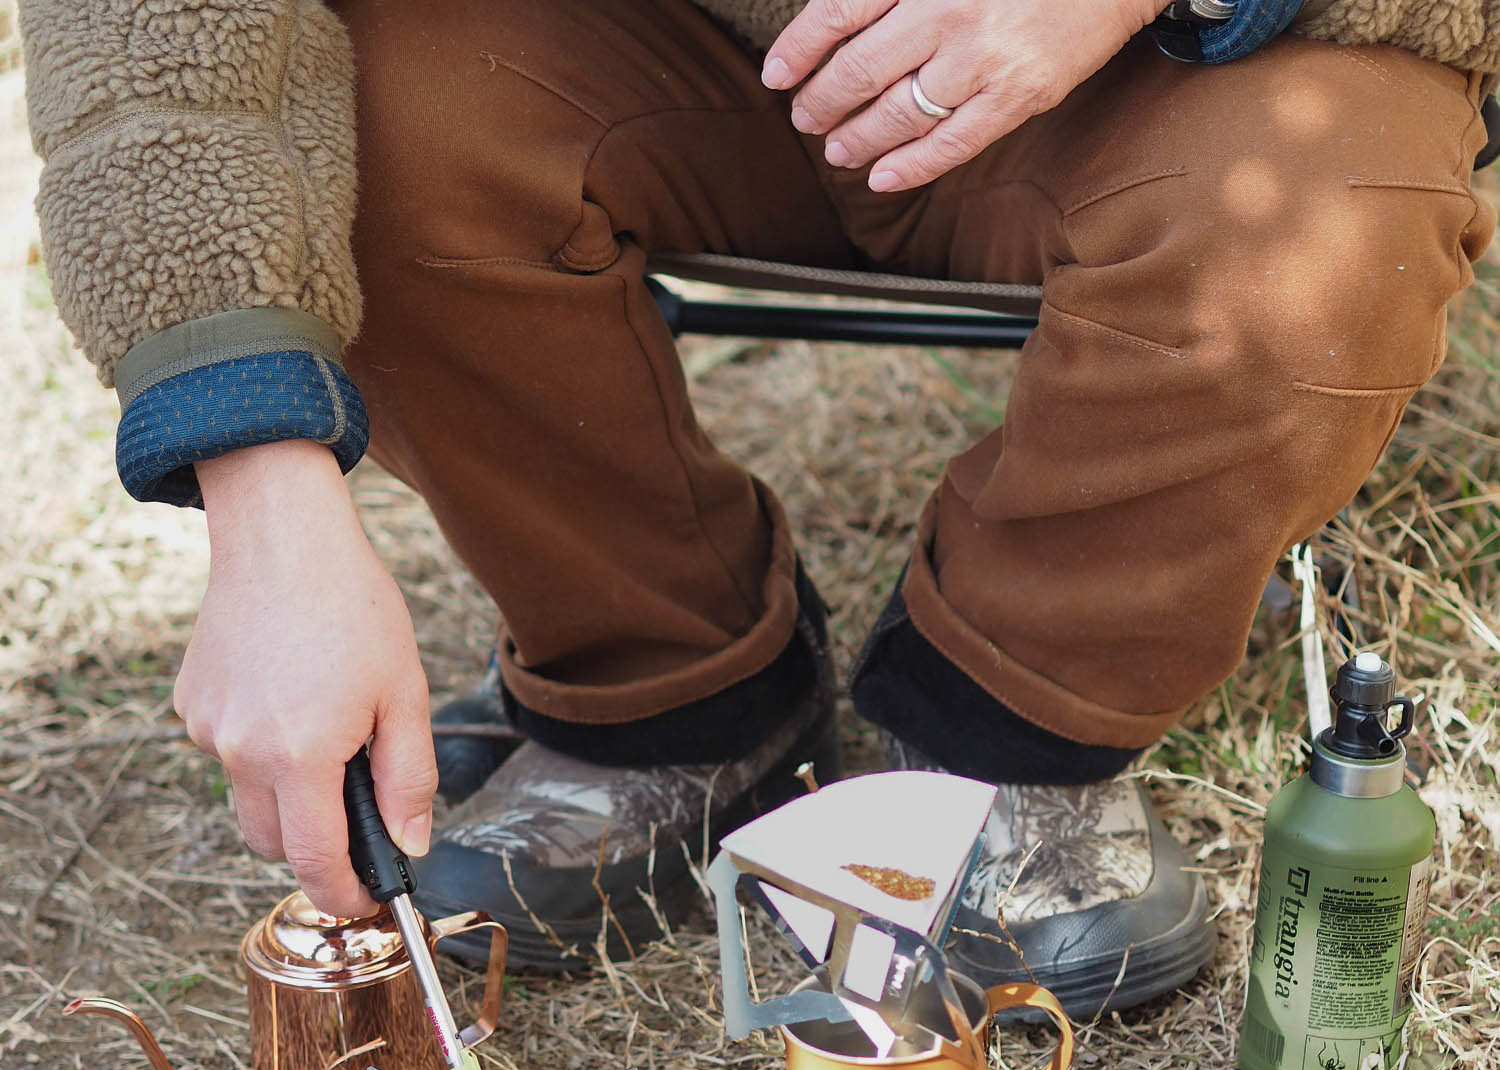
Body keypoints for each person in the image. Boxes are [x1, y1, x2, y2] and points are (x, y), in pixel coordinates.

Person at [18, 0, 1497, 1017]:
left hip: (1183, 72)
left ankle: (1017, 723)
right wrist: (260, 490)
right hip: (671, 55)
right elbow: (159, 38)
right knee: (382, 109)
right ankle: (671, 692)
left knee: (1335, 208)